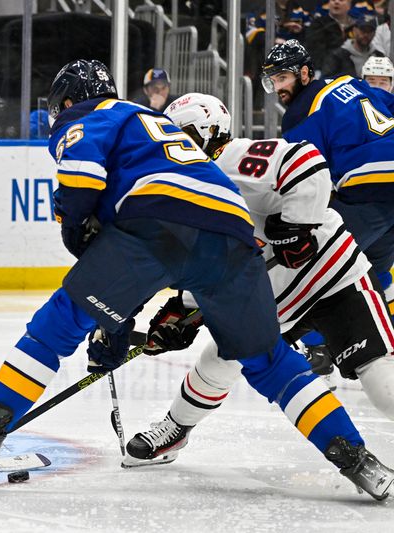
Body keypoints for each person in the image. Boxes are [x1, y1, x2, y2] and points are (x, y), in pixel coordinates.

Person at [0, 59, 394, 500]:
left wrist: (97, 286)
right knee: (270, 361)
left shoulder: (91, 115)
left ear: (68, 101)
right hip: (233, 237)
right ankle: (356, 459)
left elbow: (84, 187)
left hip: (159, 225)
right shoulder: (158, 130)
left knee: (55, 328)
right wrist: (123, 322)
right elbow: (188, 238)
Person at [123, 93, 394, 469]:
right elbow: (215, 263)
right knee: (218, 359)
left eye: (182, 135)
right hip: (275, 298)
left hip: (332, 275)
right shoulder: (190, 191)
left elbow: (308, 163)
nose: (176, 147)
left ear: (209, 131)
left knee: (383, 385)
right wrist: (184, 312)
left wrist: (296, 228)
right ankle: (174, 429)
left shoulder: (231, 159)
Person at [262, 40, 394, 340]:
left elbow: (309, 176)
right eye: (273, 81)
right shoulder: (349, 81)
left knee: (314, 265)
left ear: (305, 73)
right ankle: (385, 340)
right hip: (385, 191)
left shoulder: (300, 112)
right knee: (373, 267)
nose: (278, 87)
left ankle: (316, 347)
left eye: (283, 77)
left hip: (368, 187)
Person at [306, 0, 354, 75]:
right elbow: (315, 51)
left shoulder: (356, 25)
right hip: (325, 71)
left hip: (352, 70)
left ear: (349, 5)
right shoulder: (318, 24)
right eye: (333, 0)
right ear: (328, 4)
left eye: (341, 0)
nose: (336, 2)